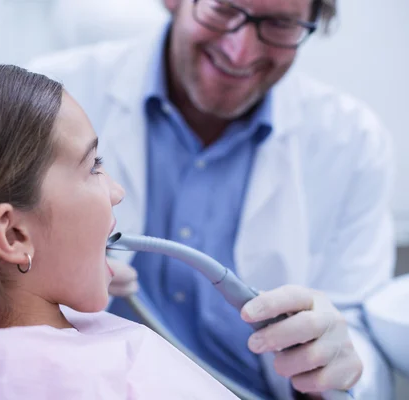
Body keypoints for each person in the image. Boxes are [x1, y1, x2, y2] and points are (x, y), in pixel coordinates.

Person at [26, 0, 396, 399]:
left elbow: (358, 340)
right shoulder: (51, 94)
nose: (241, 51)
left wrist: (331, 366)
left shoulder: (351, 142)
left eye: (279, 24)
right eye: (222, 9)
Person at [0, 65, 240, 400]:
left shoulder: (42, 356)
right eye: (93, 166)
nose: (116, 192)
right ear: (14, 236)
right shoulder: (20, 377)